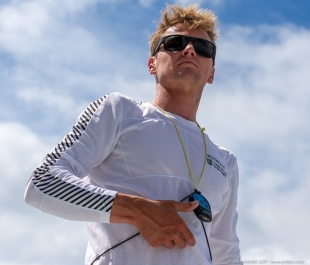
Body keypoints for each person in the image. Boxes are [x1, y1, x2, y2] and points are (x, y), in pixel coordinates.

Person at [25, 4, 242, 265]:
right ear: (152, 64)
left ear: (212, 73)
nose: (189, 50)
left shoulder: (226, 162)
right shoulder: (118, 111)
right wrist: (138, 210)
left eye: (203, 48)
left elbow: (226, 256)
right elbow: (42, 182)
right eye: (175, 42)